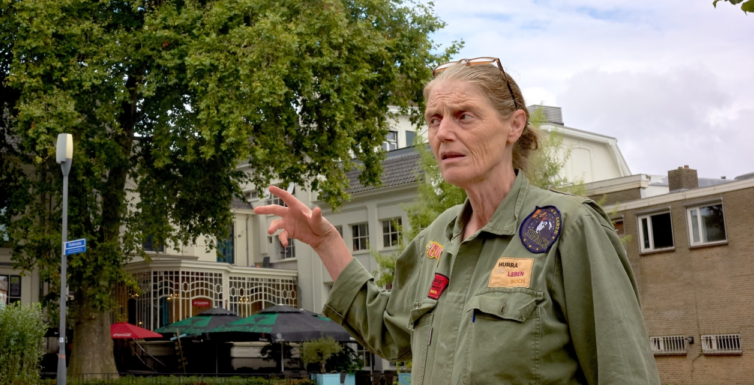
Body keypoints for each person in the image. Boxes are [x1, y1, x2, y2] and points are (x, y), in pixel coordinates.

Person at [255, 57, 660, 385]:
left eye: (464, 116)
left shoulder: (570, 227)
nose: (443, 133)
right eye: (434, 119)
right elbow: (389, 332)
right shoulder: (436, 238)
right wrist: (326, 243)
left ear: (514, 126)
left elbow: (622, 371)